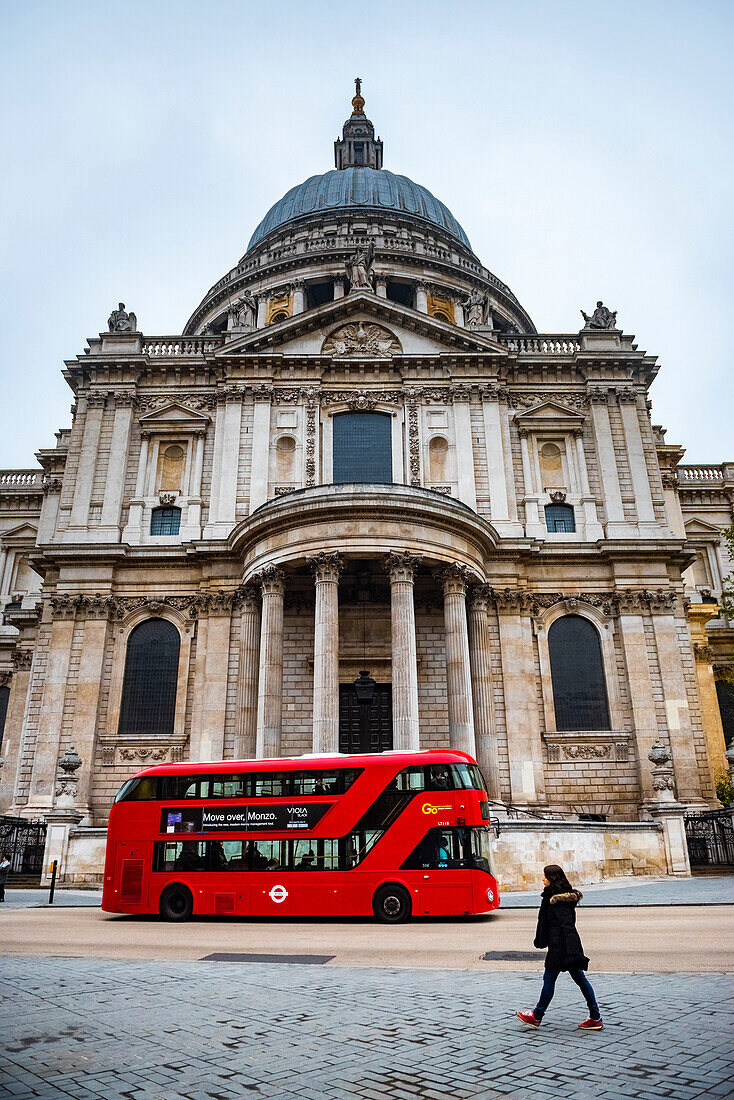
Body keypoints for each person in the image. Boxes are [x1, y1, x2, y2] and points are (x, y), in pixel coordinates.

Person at [516, 864, 603, 1030]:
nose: (542, 878)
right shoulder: (553, 896)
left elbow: (568, 926)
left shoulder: (559, 900)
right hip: (560, 945)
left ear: (551, 878)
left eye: (544, 876)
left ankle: (536, 1016)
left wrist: (573, 952)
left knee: (549, 979)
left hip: (561, 947)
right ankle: (595, 1017)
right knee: (580, 979)